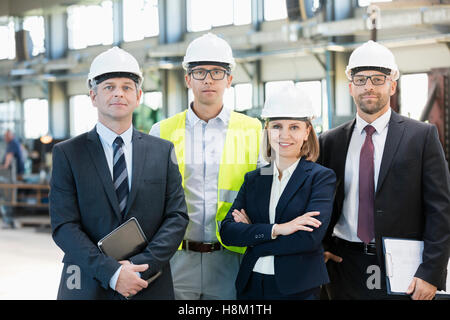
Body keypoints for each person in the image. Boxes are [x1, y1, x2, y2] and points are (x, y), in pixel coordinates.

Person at [49, 46, 189, 300]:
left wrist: (139, 269)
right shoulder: (69, 154)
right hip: (87, 283)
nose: (118, 94)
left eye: (126, 87)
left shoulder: (162, 151)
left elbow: (177, 217)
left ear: (139, 96)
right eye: (109, 87)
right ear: (93, 96)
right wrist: (112, 273)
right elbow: (64, 226)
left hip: (148, 283)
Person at [318, 40, 450, 300]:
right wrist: (319, 246)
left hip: (404, 266)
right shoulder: (330, 141)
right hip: (343, 265)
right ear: (350, 87)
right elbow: (319, 202)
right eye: (361, 79)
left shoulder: (421, 136)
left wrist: (431, 271)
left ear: (392, 85)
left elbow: (440, 209)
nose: (368, 86)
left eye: (378, 79)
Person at [149, 33, 262, 300]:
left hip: (231, 257)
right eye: (199, 72)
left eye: (217, 72)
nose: (208, 79)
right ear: (188, 79)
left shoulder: (255, 130)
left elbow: (268, 191)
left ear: (229, 79)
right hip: (176, 259)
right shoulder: (160, 131)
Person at [220, 85, 336, 300]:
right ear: (267, 130)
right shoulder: (254, 179)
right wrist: (279, 229)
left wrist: (254, 240)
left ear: (307, 131)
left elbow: (308, 239)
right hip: (251, 285)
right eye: (277, 126)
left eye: (294, 127)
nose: (285, 135)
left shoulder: (320, 178)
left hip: (297, 288)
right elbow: (228, 232)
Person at [1, 130, 25, 229]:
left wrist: (2, 167)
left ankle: (8, 220)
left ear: (9, 136)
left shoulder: (12, 143)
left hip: (10, 176)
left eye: (6, 136)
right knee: (8, 198)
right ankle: (8, 220)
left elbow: (7, 164)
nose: (4, 138)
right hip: (12, 176)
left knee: (7, 198)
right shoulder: (15, 143)